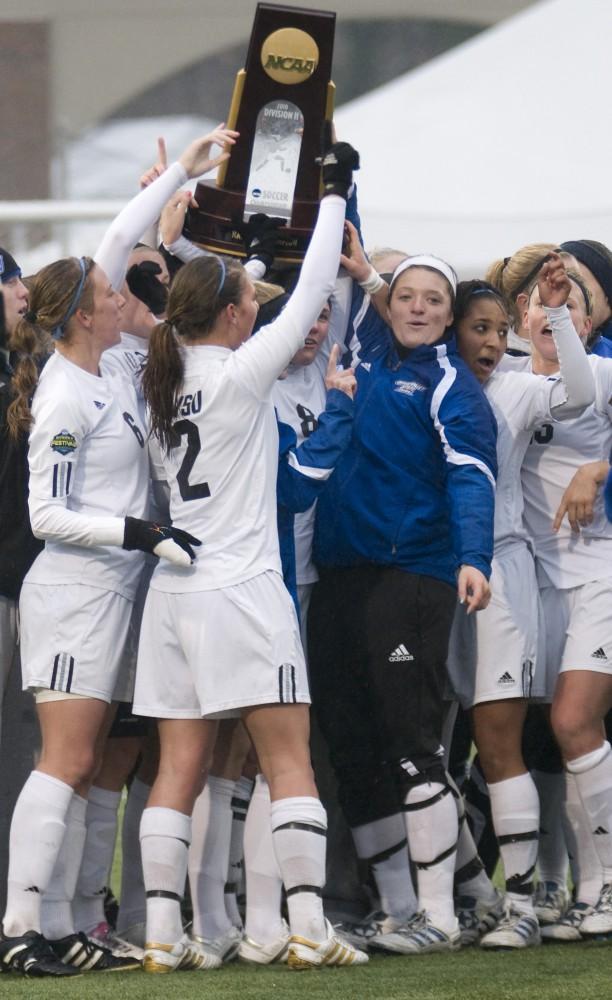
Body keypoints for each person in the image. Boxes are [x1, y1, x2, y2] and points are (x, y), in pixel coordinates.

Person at [0, 128, 236, 978]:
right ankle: (21, 926)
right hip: (73, 590)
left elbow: (114, 237)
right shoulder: (66, 394)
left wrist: (183, 173)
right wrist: (140, 533)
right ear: (83, 314)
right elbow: (47, 515)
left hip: (117, 589)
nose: (121, 287)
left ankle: (64, 921)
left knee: (93, 759)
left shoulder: (113, 368)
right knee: (64, 759)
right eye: (108, 287)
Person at [133, 139, 368, 973]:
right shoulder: (237, 374)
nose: (256, 308)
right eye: (247, 300)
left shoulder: (157, 375)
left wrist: (236, 254)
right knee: (286, 755)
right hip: (242, 586)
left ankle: (165, 937)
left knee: (179, 769)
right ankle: (307, 928)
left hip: (174, 594)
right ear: (235, 315)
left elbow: (211, 300)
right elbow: (310, 295)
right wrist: (335, 188)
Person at [308, 250, 498, 955]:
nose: (418, 308)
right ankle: (394, 910)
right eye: (407, 297)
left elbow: (472, 477)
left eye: (433, 301)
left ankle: (440, 915)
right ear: (388, 306)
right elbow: (352, 262)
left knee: (413, 746)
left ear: (449, 317)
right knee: (354, 746)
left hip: (413, 576)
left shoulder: (451, 384)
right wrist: (339, 206)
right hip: (340, 577)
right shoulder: (364, 359)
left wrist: (473, 557)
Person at [448, 261, 595, 949]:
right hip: (423, 578)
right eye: (479, 327)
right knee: (432, 748)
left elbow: (578, 391)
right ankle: (459, 897)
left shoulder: (514, 389)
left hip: (503, 575)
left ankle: (524, 905)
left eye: (499, 330)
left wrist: (558, 317)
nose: (491, 340)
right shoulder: (417, 388)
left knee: (501, 741)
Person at [515, 263, 612, 938]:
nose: (556, 318)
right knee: (546, 733)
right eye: (544, 308)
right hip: (533, 581)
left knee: (576, 721)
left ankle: (605, 882)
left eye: (569, 308)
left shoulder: (601, 377)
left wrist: (601, 465)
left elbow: (578, 386)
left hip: (601, 571)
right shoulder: (503, 387)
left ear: (589, 322)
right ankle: (563, 882)